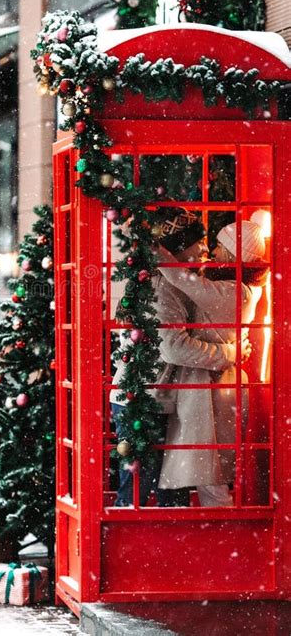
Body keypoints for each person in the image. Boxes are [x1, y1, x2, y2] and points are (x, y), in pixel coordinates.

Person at [110, 209, 247, 507]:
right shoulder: (163, 287)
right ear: (178, 248)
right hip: (143, 401)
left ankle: (169, 549)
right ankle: (138, 550)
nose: (205, 249)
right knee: (140, 490)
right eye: (196, 242)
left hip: (155, 397)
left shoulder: (177, 282)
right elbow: (174, 347)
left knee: (168, 489)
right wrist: (228, 354)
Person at [155, 220, 268, 507]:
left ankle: (224, 536)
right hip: (206, 384)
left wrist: (157, 251)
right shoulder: (235, 285)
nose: (212, 253)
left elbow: (185, 281)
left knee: (210, 474)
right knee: (207, 472)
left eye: (219, 246)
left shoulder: (237, 291)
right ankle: (216, 534)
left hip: (213, 388)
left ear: (233, 254)